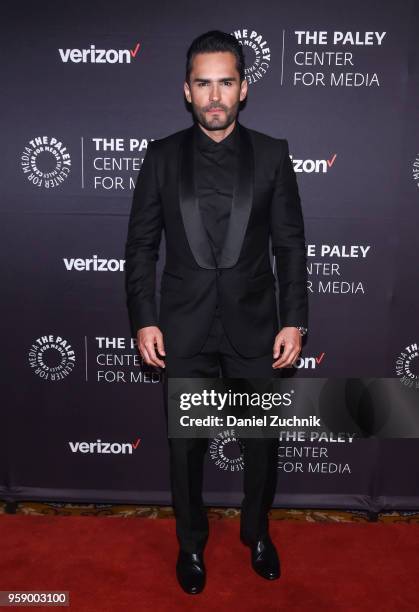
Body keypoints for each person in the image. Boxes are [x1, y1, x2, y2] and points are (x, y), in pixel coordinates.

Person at [124, 30, 308, 595]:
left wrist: (294, 319)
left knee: (262, 446)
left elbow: (290, 245)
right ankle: (191, 545)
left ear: (243, 88)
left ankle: (256, 533)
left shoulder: (273, 153)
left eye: (225, 82)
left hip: (256, 327)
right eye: (203, 83)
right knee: (185, 453)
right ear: (187, 90)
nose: (214, 95)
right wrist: (145, 318)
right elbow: (141, 246)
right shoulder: (160, 156)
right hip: (184, 328)